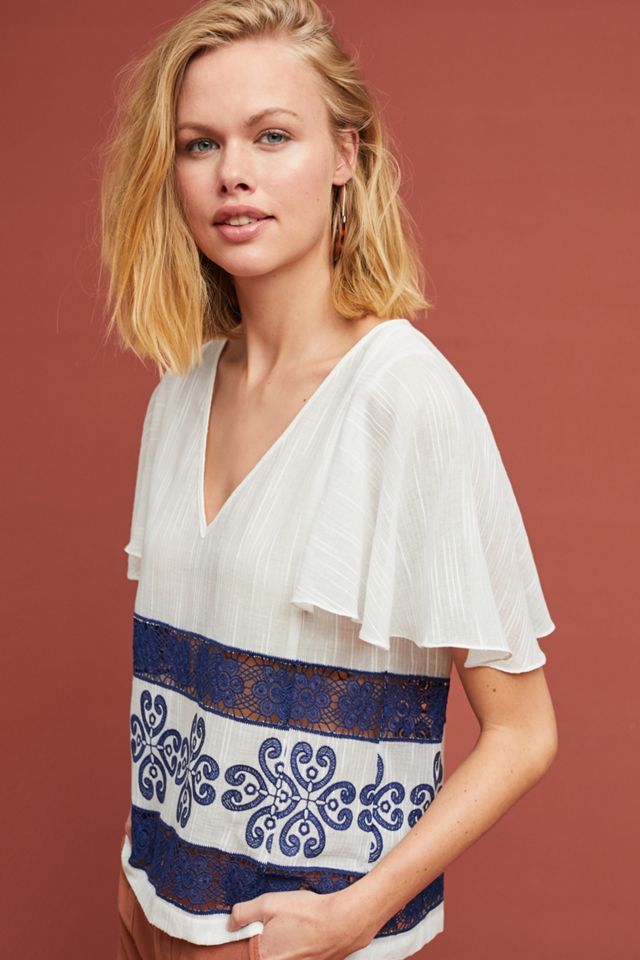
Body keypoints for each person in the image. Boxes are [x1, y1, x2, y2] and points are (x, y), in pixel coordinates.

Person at [100, 1, 558, 958]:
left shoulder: (405, 401)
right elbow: (182, 678)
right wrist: (137, 876)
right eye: (200, 144)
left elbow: (524, 734)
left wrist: (353, 915)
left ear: (346, 154)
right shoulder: (179, 393)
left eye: (272, 136)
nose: (232, 173)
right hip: (158, 922)